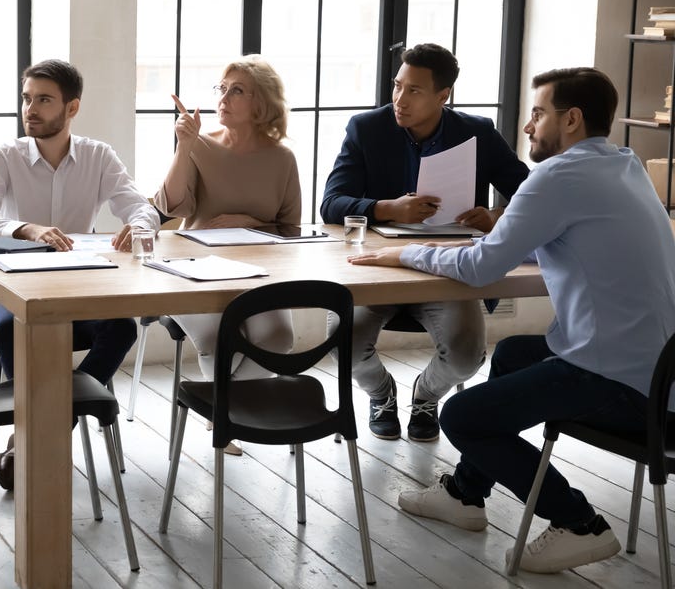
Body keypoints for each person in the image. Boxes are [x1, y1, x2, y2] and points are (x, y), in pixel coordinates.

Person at [351, 67, 675, 574]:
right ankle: (464, 494)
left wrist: (406, 254)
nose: (527, 126)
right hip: (661, 377)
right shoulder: (623, 165)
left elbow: (481, 268)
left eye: (538, 113)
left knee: (462, 418)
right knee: (512, 353)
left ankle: (578, 522)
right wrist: (499, 236)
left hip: (621, 385)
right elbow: (551, 240)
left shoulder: (558, 176)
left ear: (571, 119)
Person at [320, 43, 530, 442]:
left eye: (414, 90)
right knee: (342, 343)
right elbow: (331, 204)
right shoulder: (366, 128)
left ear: (443, 95)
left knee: (466, 357)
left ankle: (425, 396)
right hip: (377, 266)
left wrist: (495, 216)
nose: (400, 99)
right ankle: (381, 394)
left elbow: (529, 193)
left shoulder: (477, 132)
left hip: (447, 269)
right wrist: (388, 208)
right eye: (397, 86)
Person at [0, 58, 159, 489]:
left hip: (79, 289)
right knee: (8, 330)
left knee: (121, 328)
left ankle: (41, 430)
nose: (30, 109)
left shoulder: (98, 156)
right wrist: (27, 228)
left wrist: (139, 225)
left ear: (72, 108)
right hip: (13, 287)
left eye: (44, 100)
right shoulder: (5, 156)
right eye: (26, 98)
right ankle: (46, 427)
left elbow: (140, 207)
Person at [154, 55, 301, 456]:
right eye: (222, 88)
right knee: (218, 338)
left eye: (237, 90)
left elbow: (290, 231)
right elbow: (169, 205)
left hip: (258, 271)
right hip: (192, 268)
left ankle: (219, 409)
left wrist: (250, 222)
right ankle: (227, 419)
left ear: (262, 103)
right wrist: (184, 146)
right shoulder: (199, 145)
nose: (223, 97)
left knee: (279, 337)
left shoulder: (282, 159)